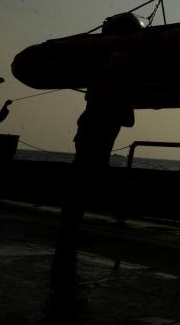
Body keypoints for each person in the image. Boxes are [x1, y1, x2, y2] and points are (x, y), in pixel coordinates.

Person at [54, 53, 135, 269]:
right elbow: (129, 121)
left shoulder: (99, 84)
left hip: (87, 139)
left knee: (78, 187)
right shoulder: (116, 89)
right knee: (82, 188)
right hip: (97, 142)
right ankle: (69, 235)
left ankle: (69, 233)